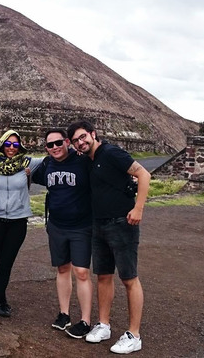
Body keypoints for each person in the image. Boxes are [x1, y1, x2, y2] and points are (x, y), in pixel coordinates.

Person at [66, 121, 151, 354]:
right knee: (103, 276)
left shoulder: (111, 153)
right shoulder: (87, 160)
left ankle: (134, 335)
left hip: (122, 222)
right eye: (76, 140)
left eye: (83, 137)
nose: (81, 142)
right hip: (99, 223)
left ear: (93, 134)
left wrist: (139, 208)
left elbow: (143, 174)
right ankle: (103, 325)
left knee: (129, 278)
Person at [30, 128, 93, 338]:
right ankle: (64, 314)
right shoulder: (47, 165)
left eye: (58, 143)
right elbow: (28, 173)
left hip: (81, 225)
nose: (55, 147)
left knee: (82, 272)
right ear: (46, 148)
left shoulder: (83, 160)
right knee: (62, 269)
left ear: (67, 142)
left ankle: (85, 320)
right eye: (50, 145)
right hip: (57, 225)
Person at [0, 130, 43, 325]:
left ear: (20, 147)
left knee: (5, 263)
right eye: (8, 144)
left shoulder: (28, 163)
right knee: (1, 262)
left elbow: (53, 156)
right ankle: (3, 301)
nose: (12, 148)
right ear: (1, 145)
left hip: (18, 221)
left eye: (16, 145)